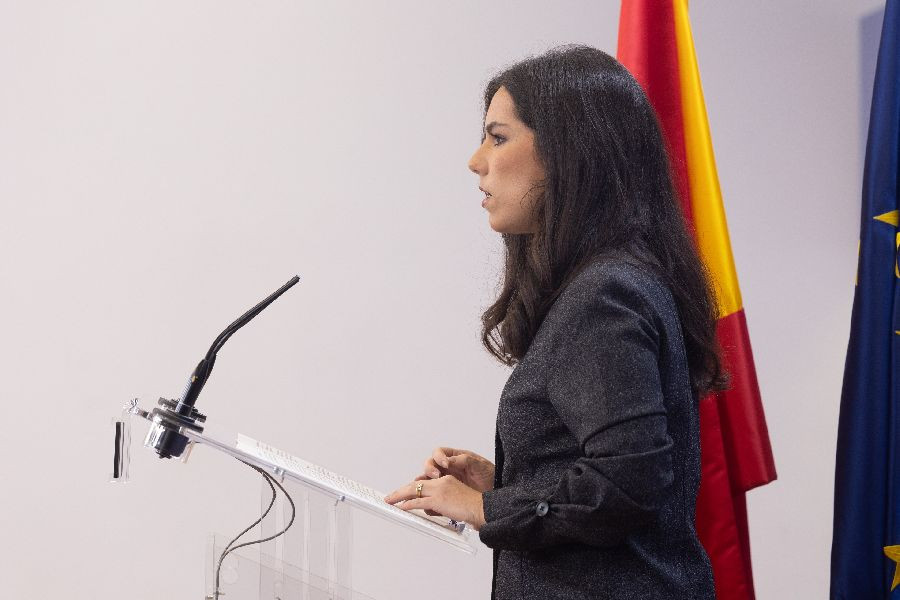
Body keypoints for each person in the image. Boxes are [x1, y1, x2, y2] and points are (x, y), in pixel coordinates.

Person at [384, 44, 726, 599]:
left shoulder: (603, 295)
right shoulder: (615, 280)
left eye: (498, 138)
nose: (476, 161)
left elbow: (631, 480)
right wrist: (509, 486)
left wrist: (485, 508)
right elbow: (615, 477)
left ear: (570, 153)